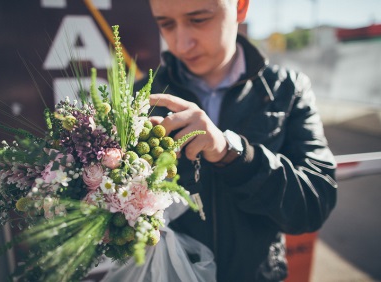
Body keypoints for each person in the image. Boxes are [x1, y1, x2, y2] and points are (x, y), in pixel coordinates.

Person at [132, 0, 338, 281]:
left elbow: (315, 204)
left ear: (241, 7)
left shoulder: (287, 89)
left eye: (199, 19)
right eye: (166, 24)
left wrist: (232, 153)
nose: (180, 44)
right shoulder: (142, 96)